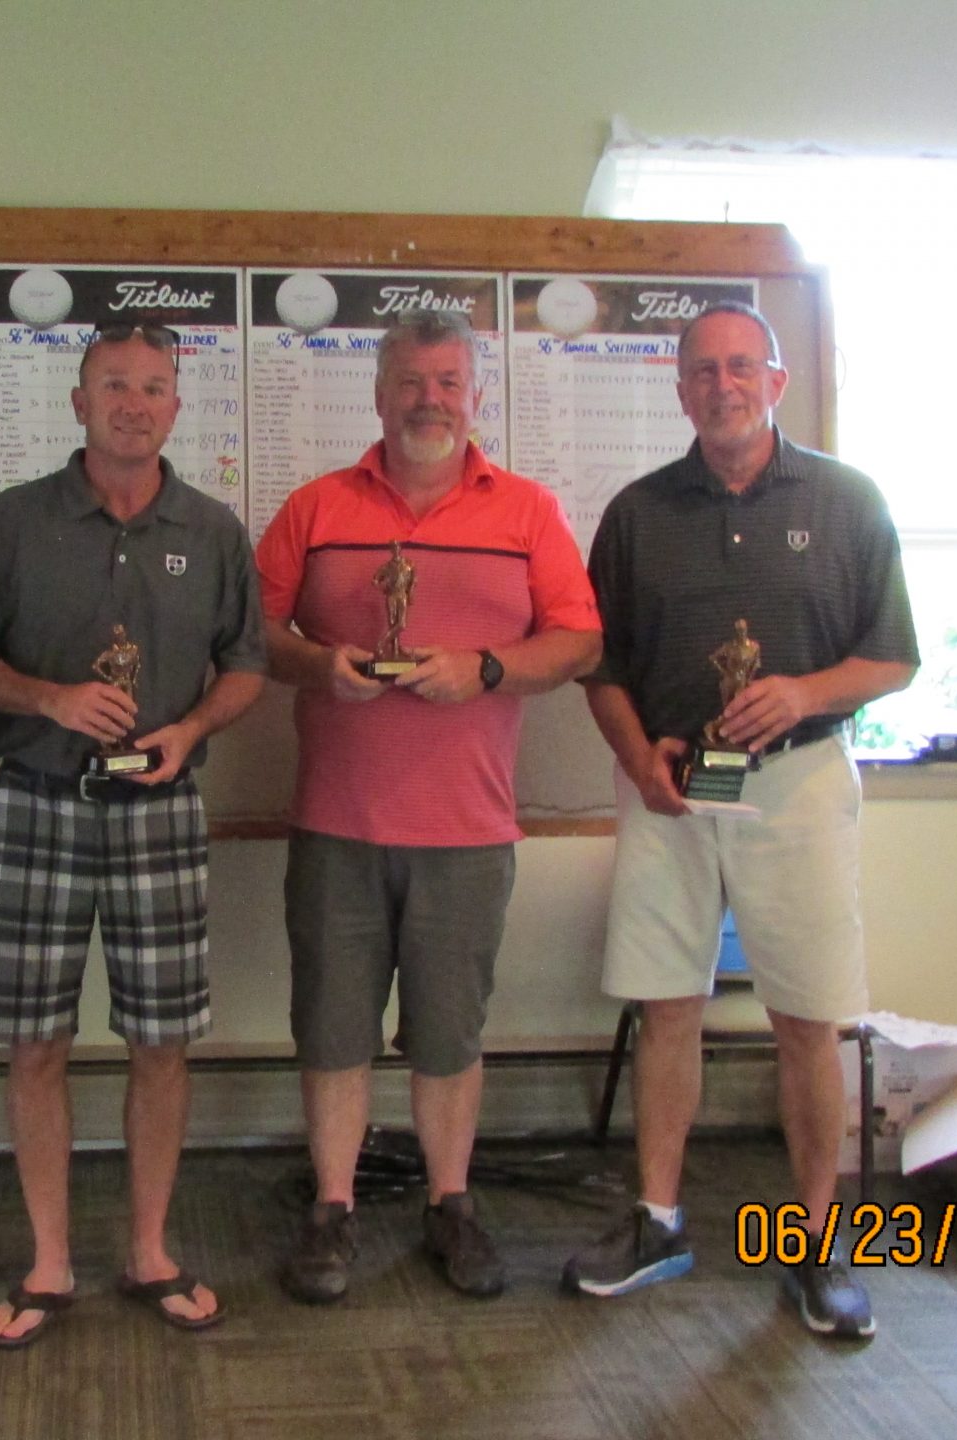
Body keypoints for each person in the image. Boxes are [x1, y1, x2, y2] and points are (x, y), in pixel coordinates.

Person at [564, 302, 917, 1341]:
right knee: (665, 1004)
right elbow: (601, 668)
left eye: (740, 366)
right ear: (679, 389)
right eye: (702, 371)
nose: (722, 385)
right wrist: (638, 757)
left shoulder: (848, 502)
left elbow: (893, 658)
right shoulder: (636, 514)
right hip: (670, 791)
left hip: (797, 786)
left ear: (776, 379)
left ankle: (816, 1246)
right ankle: (659, 1220)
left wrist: (803, 693)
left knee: (808, 1017)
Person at [253, 309, 603, 1304]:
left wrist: (486, 668)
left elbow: (578, 640)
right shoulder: (315, 508)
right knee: (332, 1028)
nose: (429, 400)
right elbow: (250, 631)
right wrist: (319, 664)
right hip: (337, 824)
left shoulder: (526, 512)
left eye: (448, 382)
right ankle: (332, 1207)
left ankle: (451, 1202)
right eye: (410, 381)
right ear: (378, 393)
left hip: (468, 830)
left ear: (476, 396)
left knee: (449, 1033)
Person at [0, 319, 267, 1348]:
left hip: (160, 809)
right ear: (78, 402)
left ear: (176, 407)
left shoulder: (212, 530)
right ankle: (48, 1262)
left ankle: (149, 1252)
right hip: (37, 799)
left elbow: (246, 665)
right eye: (114, 385)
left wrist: (191, 730)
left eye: (153, 387)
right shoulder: (12, 523)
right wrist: (49, 698)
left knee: (161, 1042)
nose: (133, 404)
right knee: (35, 1040)